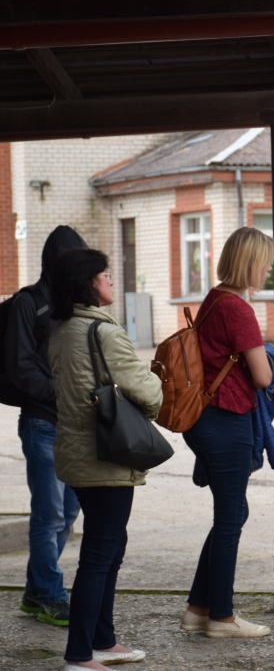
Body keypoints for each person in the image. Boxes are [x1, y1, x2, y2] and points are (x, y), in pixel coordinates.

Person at [49, 248, 161, 670]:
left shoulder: (62, 331)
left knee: (110, 545)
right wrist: (157, 384)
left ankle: (103, 640)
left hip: (78, 454)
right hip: (105, 456)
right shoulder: (103, 332)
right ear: (90, 283)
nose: (111, 280)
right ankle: (80, 654)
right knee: (100, 553)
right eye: (105, 274)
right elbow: (146, 391)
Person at [180, 227, 274, 639]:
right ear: (250, 263)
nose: (268, 270)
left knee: (232, 513)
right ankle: (221, 618)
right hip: (226, 418)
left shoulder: (213, 300)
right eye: (266, 263)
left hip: (206, 419)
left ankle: (198, 609)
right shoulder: (238, 309)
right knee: (230, 517)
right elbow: (263, 376)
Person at [4, 225, 87, 626]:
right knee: (49, 514)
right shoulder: (29, 302)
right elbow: (21, 367)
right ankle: (53, 595)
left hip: (75, 426)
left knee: (68, 511)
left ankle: (35, 592)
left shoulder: (76, 304)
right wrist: (60, 395)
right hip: (42, 423)